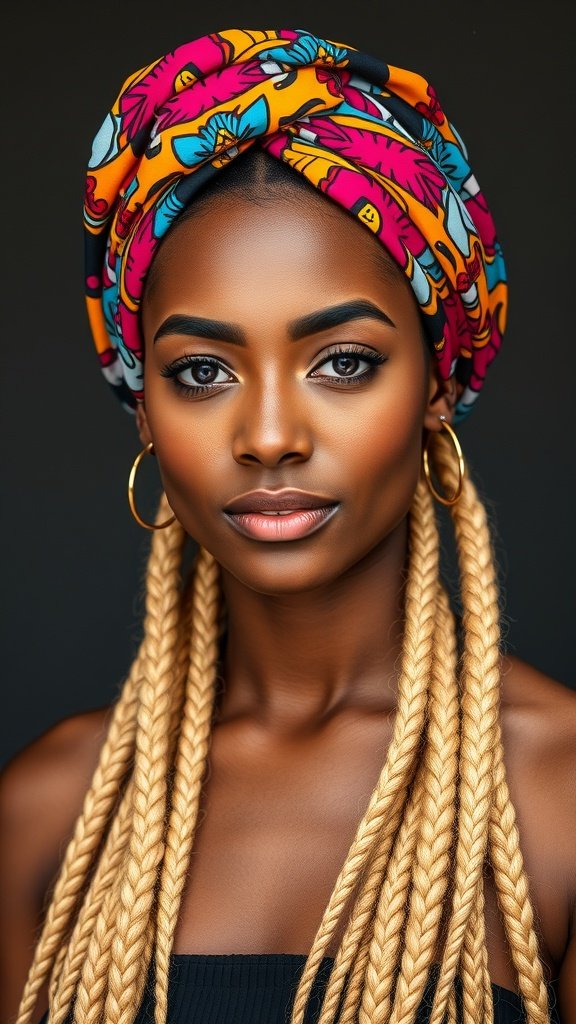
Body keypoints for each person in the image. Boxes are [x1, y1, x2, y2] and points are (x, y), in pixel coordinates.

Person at [1, 26, 574, 1024]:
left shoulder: (559, 796)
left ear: (439, 378)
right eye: (201, 372)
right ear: (145, 409)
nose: (268, 435)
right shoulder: (50, 815)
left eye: (343, 360)